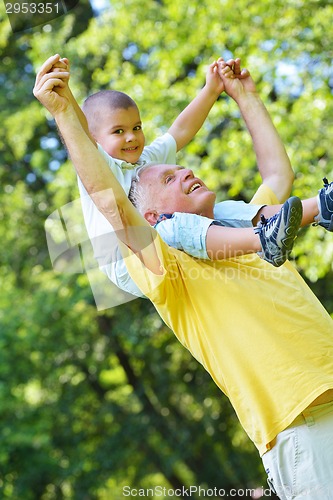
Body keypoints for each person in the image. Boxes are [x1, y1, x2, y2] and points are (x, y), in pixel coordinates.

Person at [34, 56, 333, 499]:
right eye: (172, 177)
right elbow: (109, 198)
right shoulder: (167, 260)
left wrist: (242, 96)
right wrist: (64, 109)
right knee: (174, 229)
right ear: (149, 213)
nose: (187, 170)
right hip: (304, 421)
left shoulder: (239, 229)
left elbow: (277, 176)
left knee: (265, 218)